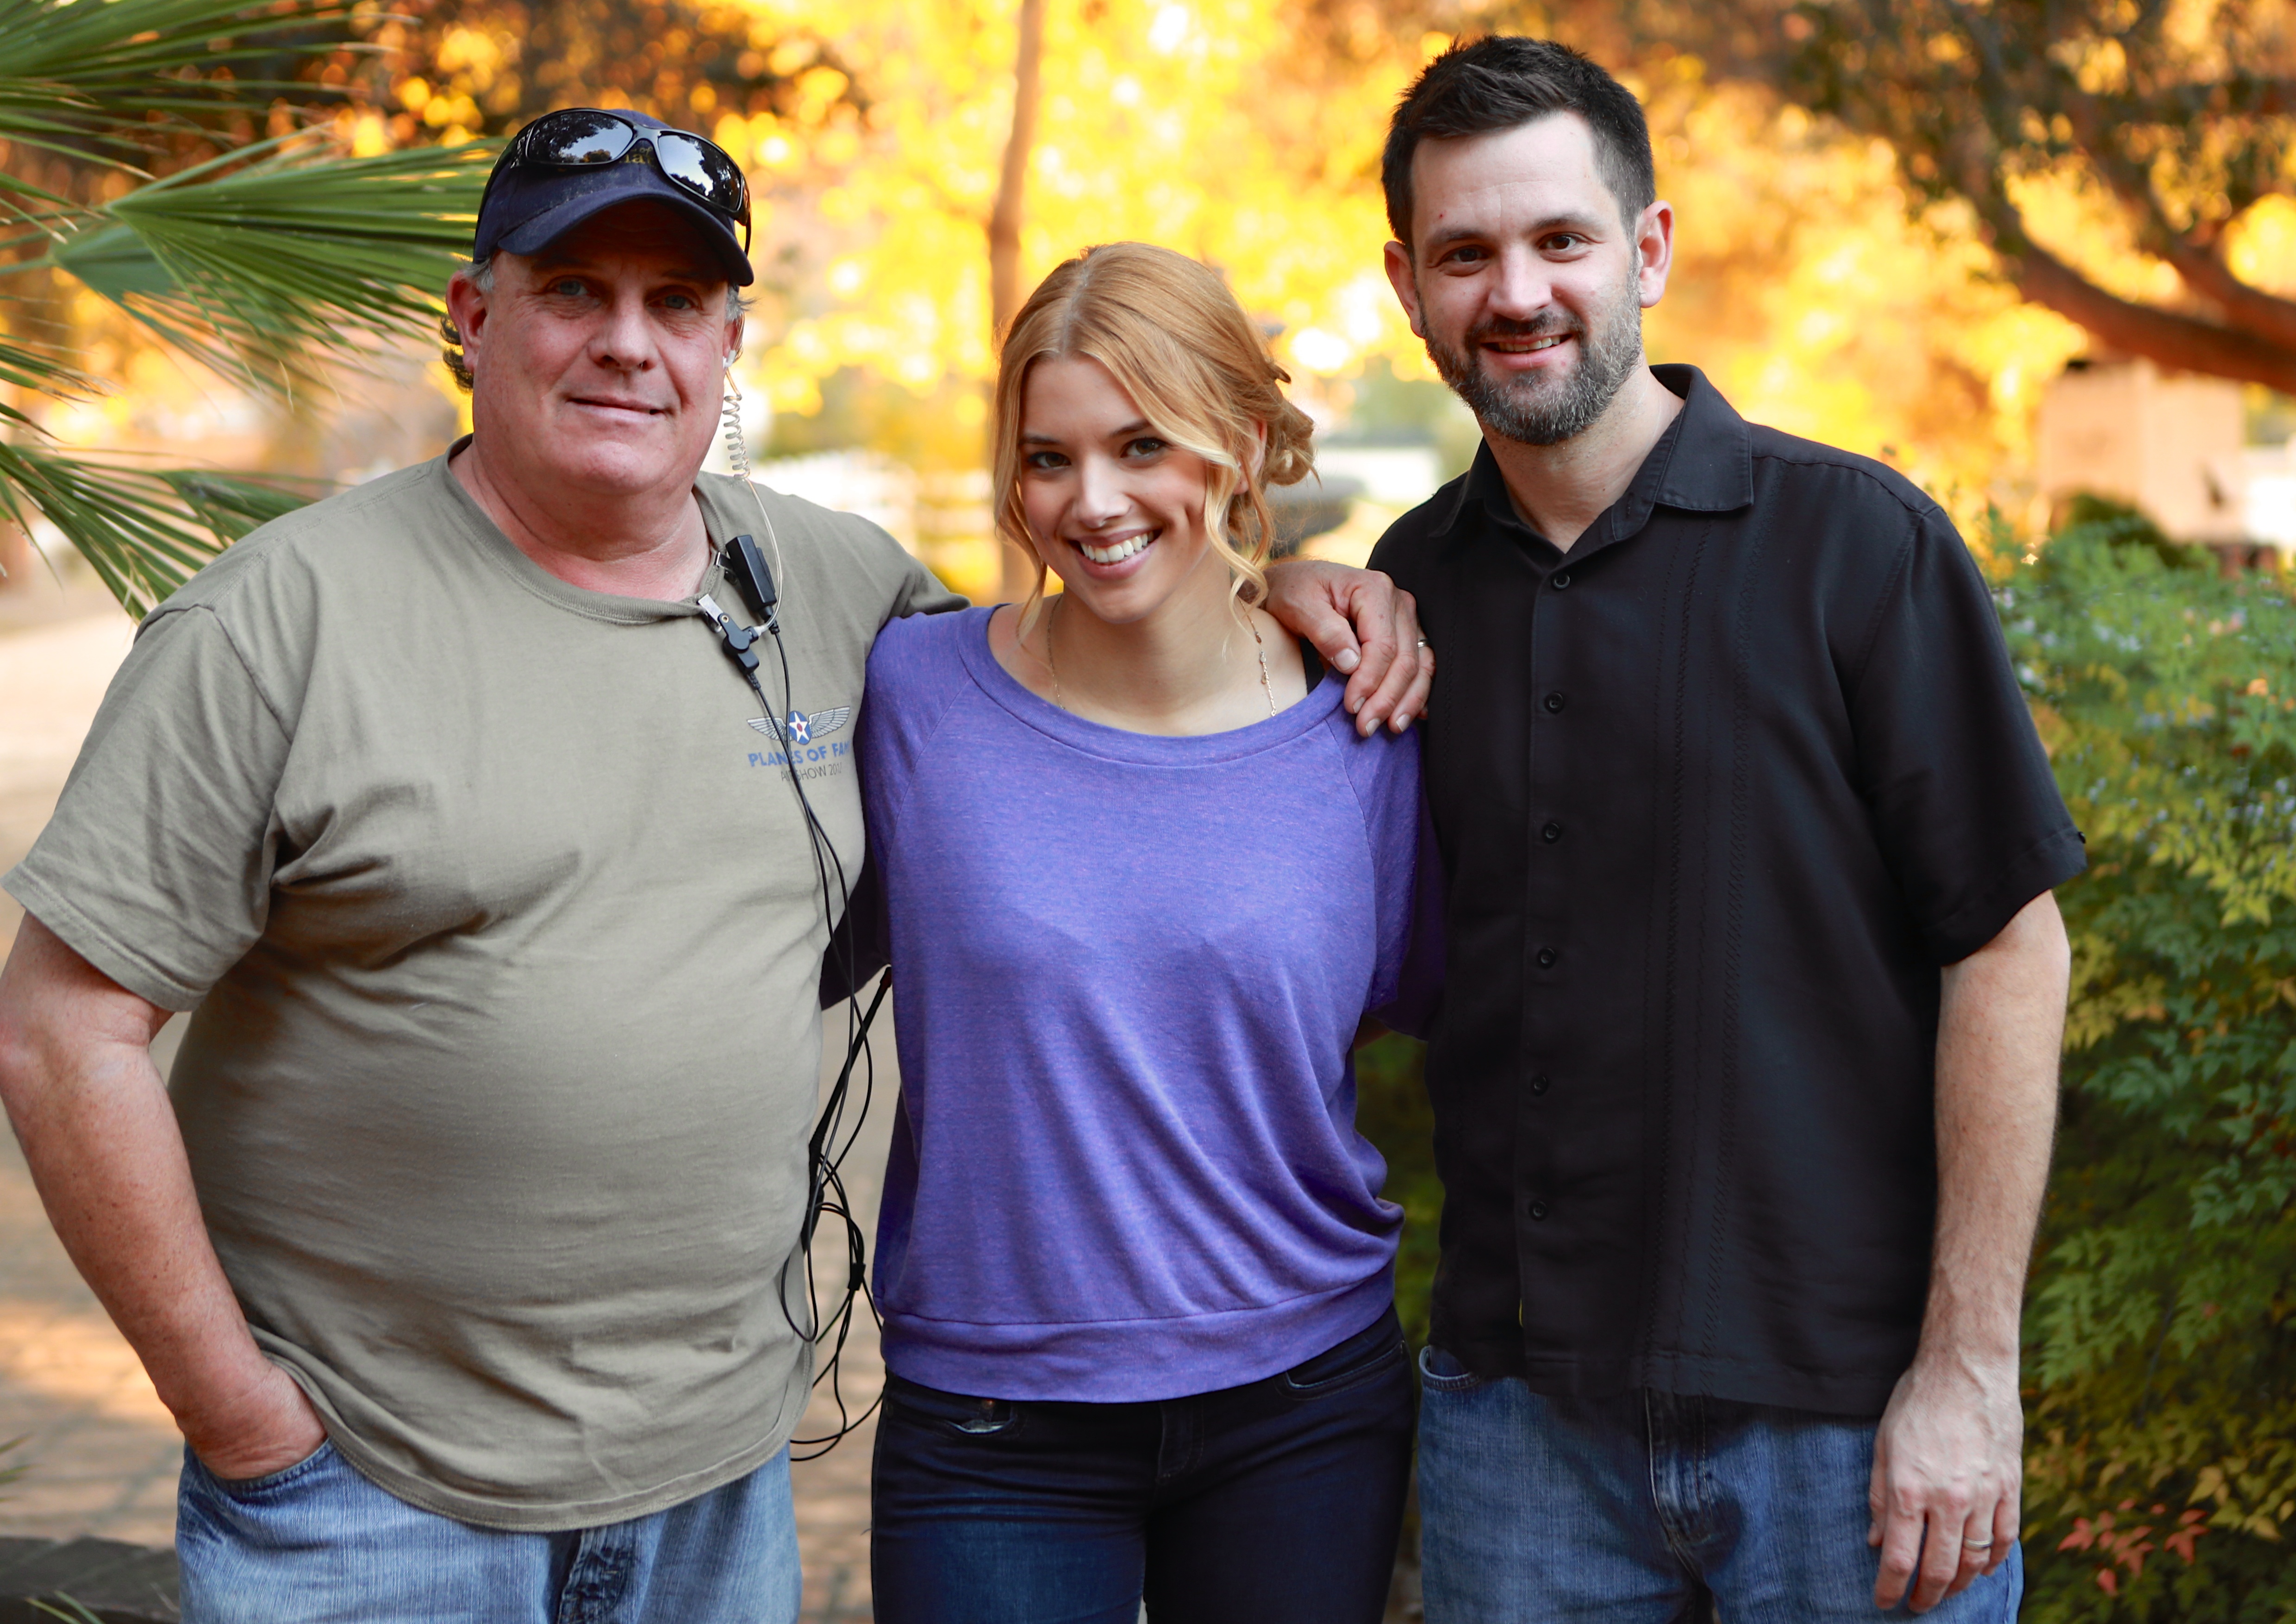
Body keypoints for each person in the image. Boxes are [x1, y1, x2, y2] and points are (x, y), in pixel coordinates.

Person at [0, 113, 1424, 1622]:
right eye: (573, 291)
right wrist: (242, 1419)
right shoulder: (278, 624)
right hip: (372, 1495)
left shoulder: (837, 591)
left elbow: (1102, 664)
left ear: (729, 341)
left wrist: (1299, 588)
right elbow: (57, 1031)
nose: (629, 345)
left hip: (714, 1490)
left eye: (675, 303)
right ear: (472, 318)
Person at [1365, 37, 2081, 1622]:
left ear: (1650, 249)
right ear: (1408, 286)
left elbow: (2012, 951)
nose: (1520, 291)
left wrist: (1969, 1371)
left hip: (1852, 1433)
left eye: (1561, 239)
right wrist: (1276, 586)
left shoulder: (1858, 547)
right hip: (1518, 1432)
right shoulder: (1404, 589)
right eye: (1467, 254)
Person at [845, 242, 1435, 1624]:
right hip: (993, 1422)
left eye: (1142, 445)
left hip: (1305, 1404)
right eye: (1049, 457)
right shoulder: (913, 697)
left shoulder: (1369, 729)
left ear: (1238, 443)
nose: (1092, 501)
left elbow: (1436, 1022)